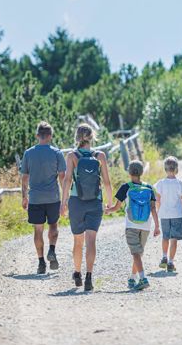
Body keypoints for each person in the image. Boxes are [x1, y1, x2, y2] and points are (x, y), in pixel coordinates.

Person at [60, 123, 113, 292]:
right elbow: (106, 182)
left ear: (77, 137)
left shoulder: (72, 156)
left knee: (78, 241)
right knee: (91, 240)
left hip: (76, 202)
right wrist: (110, 203)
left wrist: (63, 202)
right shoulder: (100, 156)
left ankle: (77, 273)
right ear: (92, 137)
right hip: (95, 202)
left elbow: (67, 180)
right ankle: (89, 277)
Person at [105, 160, 160, 291]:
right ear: (141, 172)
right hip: (146, 225)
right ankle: (132, 278)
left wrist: (107, 210)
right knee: (138, 253)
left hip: (131, 224)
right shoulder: (149, 188)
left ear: (129, 172)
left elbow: (116, 207)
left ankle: (143, 278)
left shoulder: (126, 187)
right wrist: (157, 226)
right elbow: (153, 208)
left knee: (136, 253)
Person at [21, 121, 67, 274]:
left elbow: (24, 178)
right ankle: (52, 249)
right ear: (50, 136)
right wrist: (65, 199)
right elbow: (62, 177)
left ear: (37, 136)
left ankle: (41, 262)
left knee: (38, 230)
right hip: (53, 197)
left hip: (35, 198)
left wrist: (24, 197)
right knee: (53, 225)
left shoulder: (28, 153)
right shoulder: (57, 153)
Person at [155, 156, 182, 272]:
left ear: (165, 169)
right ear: (176, 169)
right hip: (177, 214)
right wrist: (180, 210)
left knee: (165, 237)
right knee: (174, 240)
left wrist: (159, 211)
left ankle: (164, 256)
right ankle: (171, 262)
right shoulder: (180, 184)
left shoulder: (160, 184)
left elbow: (158, 200)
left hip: (164, 214)